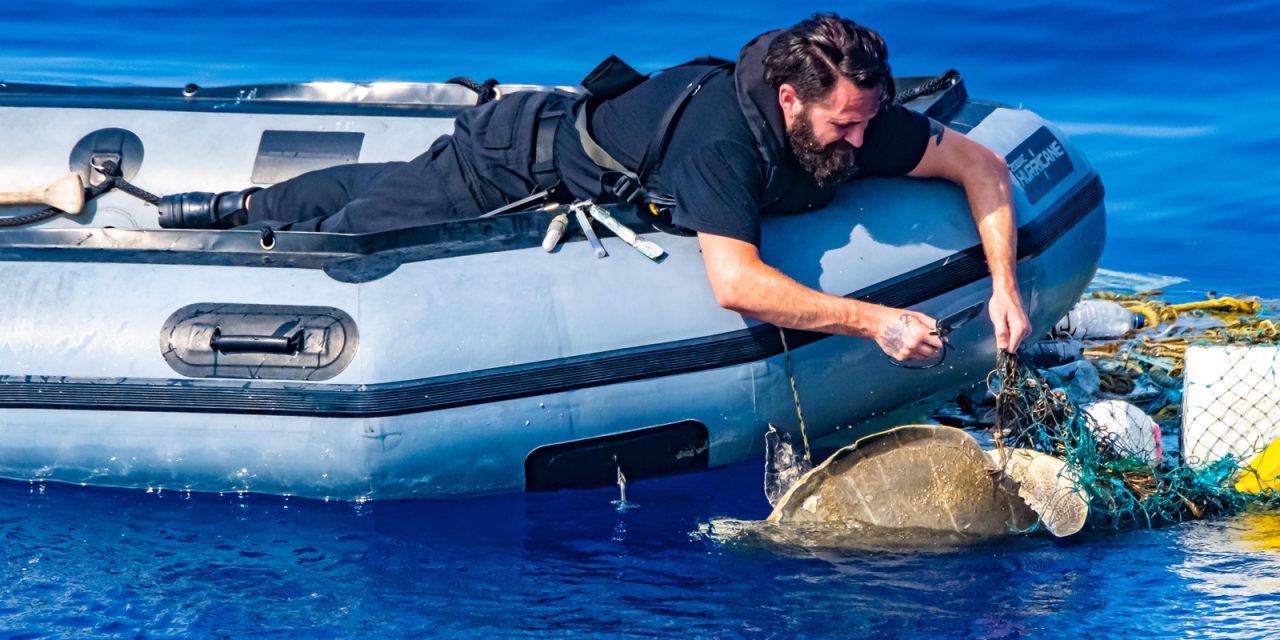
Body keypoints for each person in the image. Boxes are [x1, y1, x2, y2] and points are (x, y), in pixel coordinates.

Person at [157, 13, 1030, 361]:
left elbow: (980, 166)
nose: (863, 141)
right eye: (845, 125)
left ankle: (235, 202)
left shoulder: (859, 117)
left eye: (870, 123)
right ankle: (215, 234)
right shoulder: (725, 144)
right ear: (792, 98)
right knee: (358, 232)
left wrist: (1002, 287)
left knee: (383, 184)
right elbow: (738, 286)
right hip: (510, 163)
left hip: (584, 129)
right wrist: (874, 318)